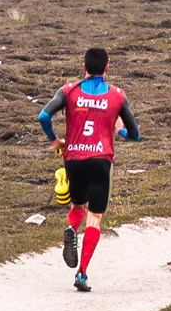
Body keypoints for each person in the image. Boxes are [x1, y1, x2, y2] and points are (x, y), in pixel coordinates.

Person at [40, 47, 140, 293]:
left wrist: (55, 141)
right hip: (101, 160)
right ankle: (82, 272)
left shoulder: (68, 91)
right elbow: (135, 134)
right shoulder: (118, 95)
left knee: (77, 206)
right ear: (107, 68)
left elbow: (43, 116)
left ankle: (72, 229)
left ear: (84, 67)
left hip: (73, 159)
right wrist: (119, 130)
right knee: (95, 217)